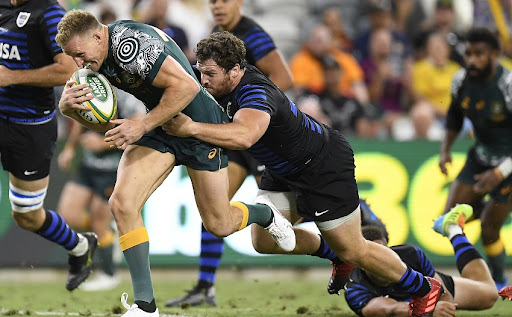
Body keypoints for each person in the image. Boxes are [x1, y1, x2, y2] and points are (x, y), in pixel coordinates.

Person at [163, 31, 443, 317]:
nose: (203, 79)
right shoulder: (221, 86)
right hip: (284, 169)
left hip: (322, 166)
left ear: (235, 70)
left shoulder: (255, 92)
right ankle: (332, 254)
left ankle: (423, 288)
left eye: (210, 73)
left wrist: (191, 129)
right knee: (264, 241)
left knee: (354, 250)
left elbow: (245, 136)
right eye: (200, 71)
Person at [55, 10, 295, 317]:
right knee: (123, 204)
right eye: (72, 57)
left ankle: (265, 214)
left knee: (219, 224)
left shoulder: (131, 46)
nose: (78, 63)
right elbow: (108, 125)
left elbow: (188, 87)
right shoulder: (98, 58)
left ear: (98, 36)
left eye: (79, 54)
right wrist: (69, 110)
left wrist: (141, 125)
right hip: (160, 124)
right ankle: (145, 306)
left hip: (198, 127)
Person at [165, 0, 293, 307]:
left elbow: (284, 78)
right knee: (214, 207)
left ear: (239, 2)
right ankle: (205, 286)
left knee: (308, 205)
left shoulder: (252, 33)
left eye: (225, 0)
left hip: (262, 138)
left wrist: (252, 108)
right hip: (235, 138)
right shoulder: (216, 35)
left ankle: (361, 220)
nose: (218, 6)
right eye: (213, 1)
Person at [0, 0, 97, 292]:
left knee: (27, 215)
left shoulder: (50, 13)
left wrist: (12, 77)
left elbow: (67, 70)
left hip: (28, 128)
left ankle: (80, 246)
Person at [439, 27, 512, 290]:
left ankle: (500, 283)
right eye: (468, 54)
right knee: (448, 220)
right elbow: (454, 116)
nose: (471, 60)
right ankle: (483, 208)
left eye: (479, 54)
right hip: (480, 157)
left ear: (495, 55)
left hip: (509, 164)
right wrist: (445, 149)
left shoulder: (507, 86)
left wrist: (500, 172)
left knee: (490, 229)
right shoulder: (460, 81)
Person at [57, 88, 146, 291]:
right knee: (68, 215)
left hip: (114, 169)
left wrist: (103, 143)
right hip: (88, 166)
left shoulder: (126, 96)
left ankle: (109, 274)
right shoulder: (91, 84)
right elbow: (81, 120)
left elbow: (138, 129)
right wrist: (70, 149)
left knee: (98, 221)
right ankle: (107, 234)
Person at [344, 204, 498, 317]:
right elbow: (386, 309)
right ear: (361, 263)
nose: (378, 261)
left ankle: (453, 229)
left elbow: (444, 295)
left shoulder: (410, 255)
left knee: (490, 295)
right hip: (414, 303)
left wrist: (441, 307)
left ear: (389, 252)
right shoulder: (354, 284)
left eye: (382, 254)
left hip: (425, 289)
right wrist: (424, 310)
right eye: (372, 260)